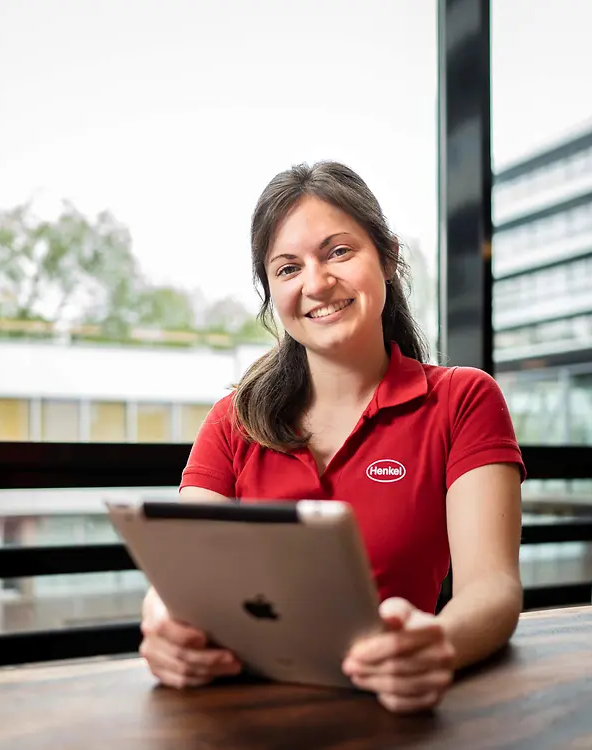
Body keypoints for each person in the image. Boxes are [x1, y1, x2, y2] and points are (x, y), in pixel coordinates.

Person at [139, 161, 525, 714]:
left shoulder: (463, 400)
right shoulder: (233, 420)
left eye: (339, 252)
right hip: (240, 713)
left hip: (391, 705)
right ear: (272, 292)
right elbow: (178, 575)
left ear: (388, 257)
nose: (317, 283)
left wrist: (434, 645)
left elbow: (492, 589)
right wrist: (161, 624)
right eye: (288, 268)